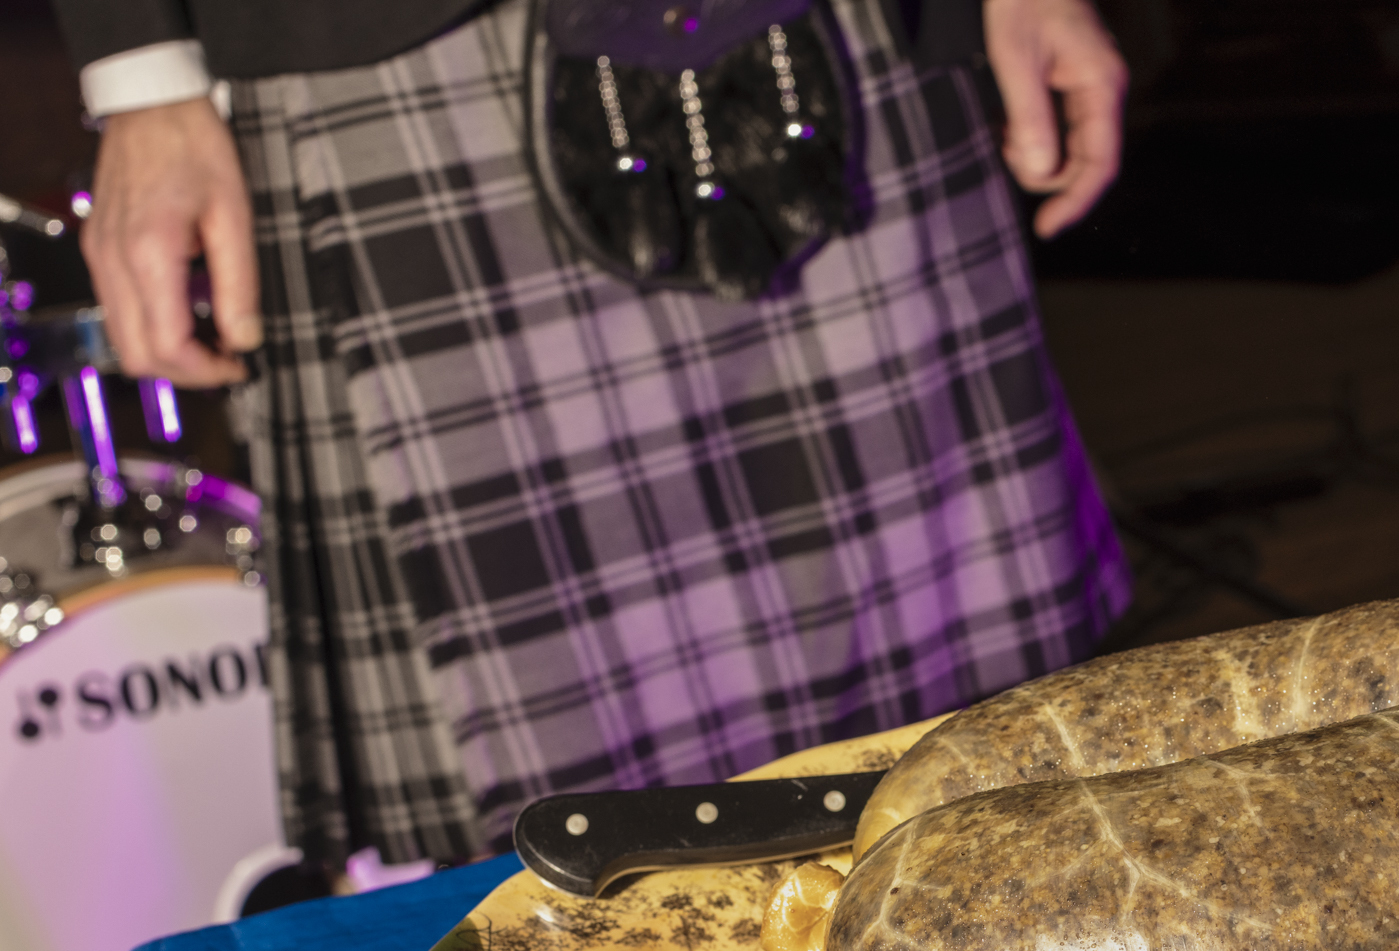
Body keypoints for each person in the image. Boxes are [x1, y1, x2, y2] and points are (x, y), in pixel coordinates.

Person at [55, 0, 1134, 869]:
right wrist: (142, 72)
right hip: (387, 50)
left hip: (849, 27)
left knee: (995, 747)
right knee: (561, 849)